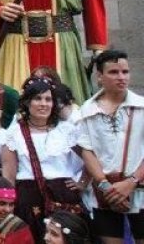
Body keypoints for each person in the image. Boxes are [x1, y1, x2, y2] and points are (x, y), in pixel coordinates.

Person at [1, 76, 84, 241]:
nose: (43, 104)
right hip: (28, 197)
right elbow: (8, 175)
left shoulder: (67, 130)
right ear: (27, 102)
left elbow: (90, 158)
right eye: (37, 98)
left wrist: (83, 182)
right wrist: (8, 204)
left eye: (48, 99)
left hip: (63, 196)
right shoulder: (14, 133)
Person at [77, 49, 144, 242]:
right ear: (100, 77)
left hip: (140, 189)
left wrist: (131, 182)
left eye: (125, 72)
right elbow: (87, 151)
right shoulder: (87, 110)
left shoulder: (142, 106)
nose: (121, 77)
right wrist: (106, 186)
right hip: (105, 192)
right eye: (114, 72)